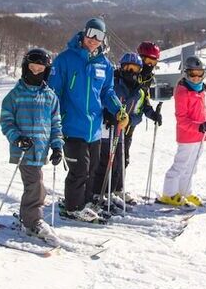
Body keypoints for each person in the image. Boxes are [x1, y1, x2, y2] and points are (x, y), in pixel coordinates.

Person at [48, 18, 128, 222]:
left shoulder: (105, 64)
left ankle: (85, 203)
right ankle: (73, 207)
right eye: (91, 33)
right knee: (79, 170)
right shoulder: (65, 59)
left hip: (94, 127)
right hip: (71, 125)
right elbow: (53, 92)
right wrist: (52, 119)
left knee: (92, 168)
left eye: (99, 36)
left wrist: (118, 110)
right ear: (84, 33)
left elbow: (107, 92)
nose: (94, 39)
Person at [0, 48, 64, 245]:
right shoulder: (15, 95)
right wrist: (17, 138)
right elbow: (6, 121)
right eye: (32, 68)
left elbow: (56, 124)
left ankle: (27, 216)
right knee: (35, 183)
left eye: (40, 69)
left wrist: (57, 146)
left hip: (41, 149)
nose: (35, 72)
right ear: (25, 68)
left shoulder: (50, 96)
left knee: (34, 184)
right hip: (23, 150)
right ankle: (32, 221)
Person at [93, 52, 161, 211]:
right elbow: (103, 99)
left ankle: (111, 192)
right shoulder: (114, 84)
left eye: (134, 68)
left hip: (123, 129)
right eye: (127, 67)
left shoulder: (140, 89)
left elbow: (144, 107)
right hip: (107, 128)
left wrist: (153, 115)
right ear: (121, 68)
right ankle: (98, 193)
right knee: (106, 161)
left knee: (119, 163)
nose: (130, 71)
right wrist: (107, 114)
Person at [158, 56, 206, 207]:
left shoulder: (200, 90)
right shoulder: (183, 92)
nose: (196, 78)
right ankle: (169, 194)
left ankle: (185, 192)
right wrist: (200, 126)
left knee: (191, 167)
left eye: (199, 74)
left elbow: (200, 112)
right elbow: (182, 119)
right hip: (187, 136)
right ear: (186, 73)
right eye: (192, 74)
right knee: (180, 165)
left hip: (199, 136)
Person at [115, 41, 162, 201]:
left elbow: (143, 99)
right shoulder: (127, 71)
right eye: (146, 60)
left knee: (123, 157)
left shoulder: (147, 77)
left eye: (153, 62)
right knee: (112, 157)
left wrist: (152, 113)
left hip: (131, 123)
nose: (149, 65)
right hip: (115, 122)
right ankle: (108, 188)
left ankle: (117, 188)